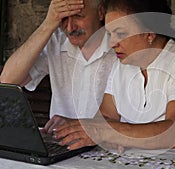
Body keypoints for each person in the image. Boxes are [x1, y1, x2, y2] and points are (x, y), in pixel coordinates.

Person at [52, 0, 175, 152]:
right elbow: (106, 117)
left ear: (149, 33)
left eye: (120, 33)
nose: (112, 43)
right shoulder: (123, 66)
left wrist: (108, 133)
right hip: (151, 158)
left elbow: (174, 135)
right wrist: (102, 133)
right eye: (110, 34)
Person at [0, 0, 115, 133]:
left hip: (107, 146)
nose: (70, 28)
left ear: (101, 12)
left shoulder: (120, 47)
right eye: (64, 18)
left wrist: (76, 126)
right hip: (61, 143)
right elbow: (7, 81)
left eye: (78, 16)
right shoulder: (57, 42)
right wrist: (48, 25)